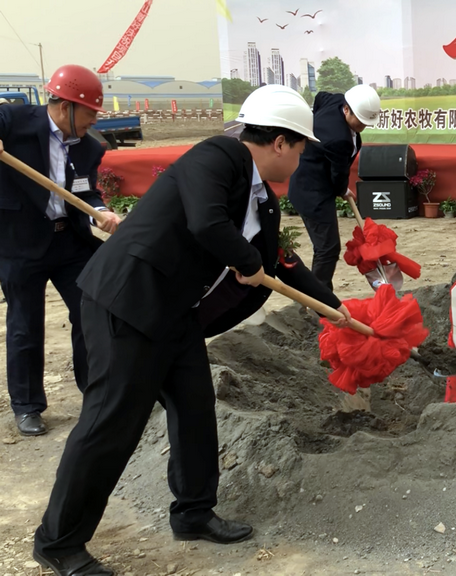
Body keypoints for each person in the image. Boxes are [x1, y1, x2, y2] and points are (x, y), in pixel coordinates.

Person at [32, 85, 351, 576]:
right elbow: (207, 222)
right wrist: (245, 261)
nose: (302, 158)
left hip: (174, 311)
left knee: (195, 407)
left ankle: (193, 512)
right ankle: (59, 542)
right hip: (127, 300)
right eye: (302, 147)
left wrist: (335, 309)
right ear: (280, 143)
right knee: (111, 422)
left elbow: (281, 262)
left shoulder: (263, 200)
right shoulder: (218, 156)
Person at [0, 64, 121, 436]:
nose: (94, 120)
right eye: (90, 112)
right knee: (25, 324)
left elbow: (86, 191)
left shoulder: (88, 146)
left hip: (69, 241)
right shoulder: (15, 121)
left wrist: (100, 210)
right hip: (19, 243)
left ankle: (95, 393)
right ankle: (27, 406)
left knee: (91, 312)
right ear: (66, 105)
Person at [288, 84, 381, 290]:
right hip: (311, 192)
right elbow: (338, 174)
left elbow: (320, 97)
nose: (363, 126)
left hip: (314, 179)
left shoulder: (336, 100)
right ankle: (319, 299)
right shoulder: (339, 139)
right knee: (327, 248)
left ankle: (317, 294)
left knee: (325, 247)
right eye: (361, 121)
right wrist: (342, 189)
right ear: (346, 109)